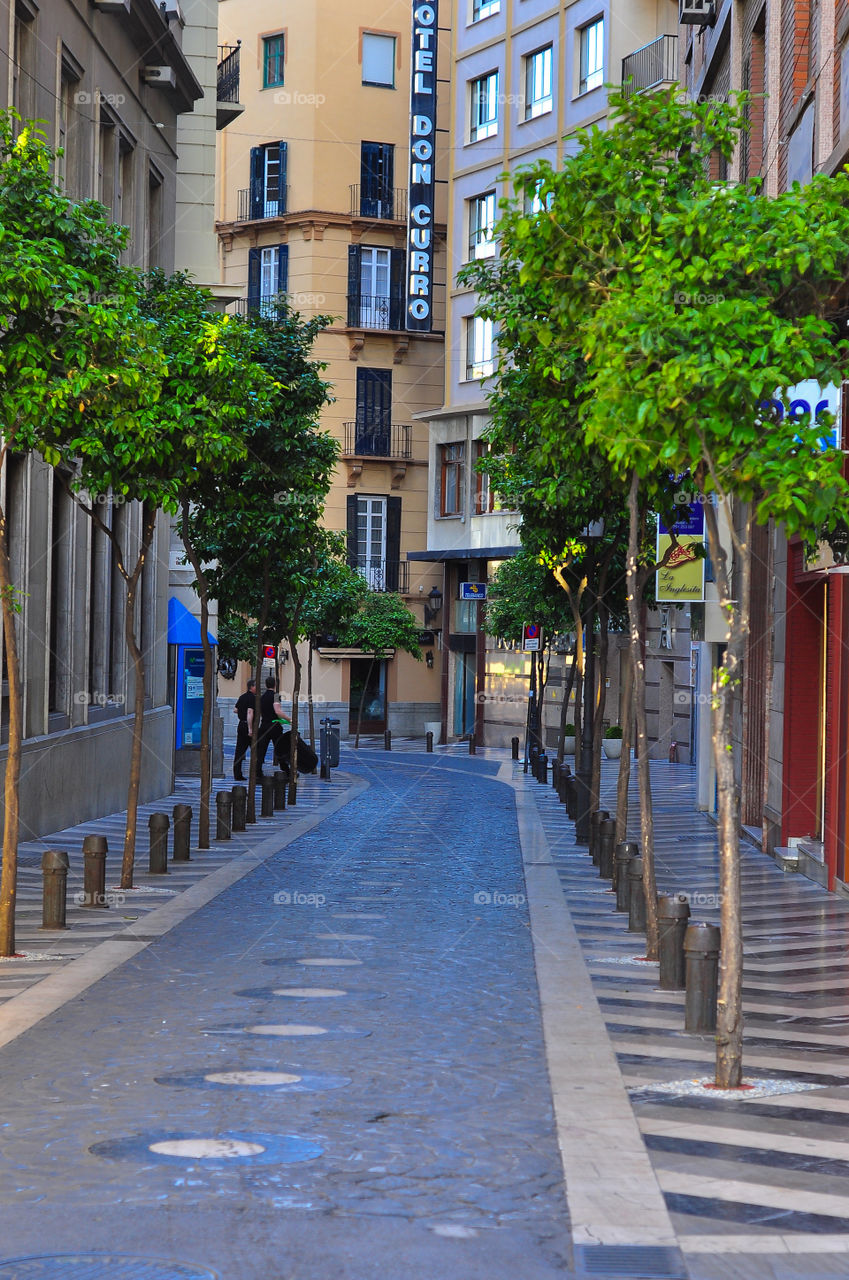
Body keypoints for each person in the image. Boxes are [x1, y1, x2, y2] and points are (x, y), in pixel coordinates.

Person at [257, 676, 290, 777]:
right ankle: (286, 770)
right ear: (275, 685)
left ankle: (258, 771)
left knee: (261, 749)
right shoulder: (276, 696)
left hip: (264, 725)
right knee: (280, 748)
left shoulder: (262, 697)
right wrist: (289, 719)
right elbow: (277, 711)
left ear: (266, 685)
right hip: (274, 726)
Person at [232, 677, 256, 782]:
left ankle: (237, 774)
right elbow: (250, 713)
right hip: (247, 725)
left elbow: (235, 709)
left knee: (239, 751)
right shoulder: (252, 698)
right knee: (255, 750)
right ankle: (256, 773)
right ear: (252, 687)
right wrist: (250, 729)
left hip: (241, 724)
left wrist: (242, 712)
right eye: (256, 686)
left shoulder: (242, 697)